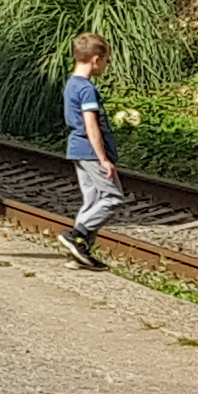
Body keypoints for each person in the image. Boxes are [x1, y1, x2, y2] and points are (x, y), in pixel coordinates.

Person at [58, 32, 123, 270]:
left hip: (77, 149)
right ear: (96, 60)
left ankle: (79, 254)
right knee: (113, 197)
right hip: (90, 149)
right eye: (106, 61)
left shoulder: (71, 84)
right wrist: (103, 158)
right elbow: (91, 124)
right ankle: (77, 234)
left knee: (92, 200)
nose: (106, 65)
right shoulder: (86, 89)